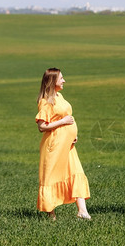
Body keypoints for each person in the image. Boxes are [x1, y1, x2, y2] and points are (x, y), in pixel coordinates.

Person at [35, 68, 91, 221]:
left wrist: (73, 135)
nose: (64, 81)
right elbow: (42, 126)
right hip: (53, 147)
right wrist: (63, 122)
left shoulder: (60, 96)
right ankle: (51, 214)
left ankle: (82, 211)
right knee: (51, 176)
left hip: (68, 146)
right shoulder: (45, 101)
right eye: (61, 78)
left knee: (75, 172)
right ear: (53, 81)